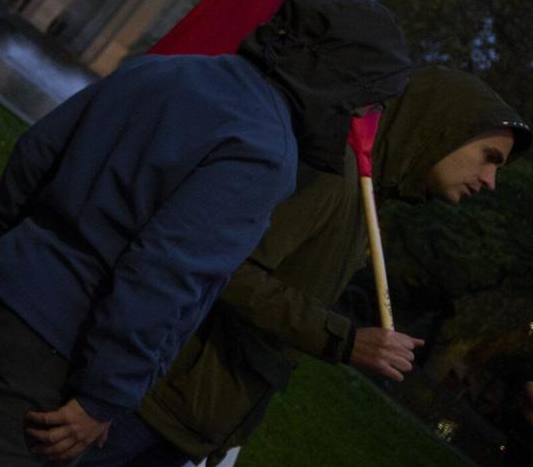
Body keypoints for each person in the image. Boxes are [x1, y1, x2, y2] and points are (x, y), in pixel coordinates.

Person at [0, 0, 413, 467]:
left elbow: (34, 154)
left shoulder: (162, 71)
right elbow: (165, 274)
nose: (367, 116)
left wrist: (25, 253)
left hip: (6, 283)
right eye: (369, 98)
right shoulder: (263, 150)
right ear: (338, 82)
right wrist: (104, 396)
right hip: (62, 341)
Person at [96, 65, 528, 467]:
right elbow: (227, 266)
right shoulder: (331, 177)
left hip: (187, 423)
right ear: (441, 131)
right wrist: (344, 340)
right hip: (145, 410)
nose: (490, 180)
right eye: (488, 156)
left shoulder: (367, 202)